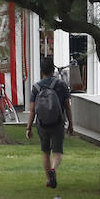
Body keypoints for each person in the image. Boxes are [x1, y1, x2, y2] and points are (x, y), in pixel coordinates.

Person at [26, 55, 74, 188]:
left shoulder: (36, 87)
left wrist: (28, 128)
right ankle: (53, 169)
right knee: (57, 151)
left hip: (42, 124)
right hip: (58, 123)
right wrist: (71, 124)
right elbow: (67, 106)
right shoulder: (61, 85)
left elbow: (32, 110)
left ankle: (49, 180)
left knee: (45, 152)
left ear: (42, 71)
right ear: (53, 69)